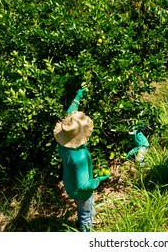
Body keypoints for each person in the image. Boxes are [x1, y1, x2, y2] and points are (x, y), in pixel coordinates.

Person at [53, 88, 110, 232]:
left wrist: (78, 96)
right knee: (86, 214)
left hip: (70, 184)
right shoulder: (80, 157)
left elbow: (71, 112)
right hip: (81, 192)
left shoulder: (63, 139)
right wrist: (99, 179)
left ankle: (80, 223)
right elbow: (84, 185)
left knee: (83, 208)